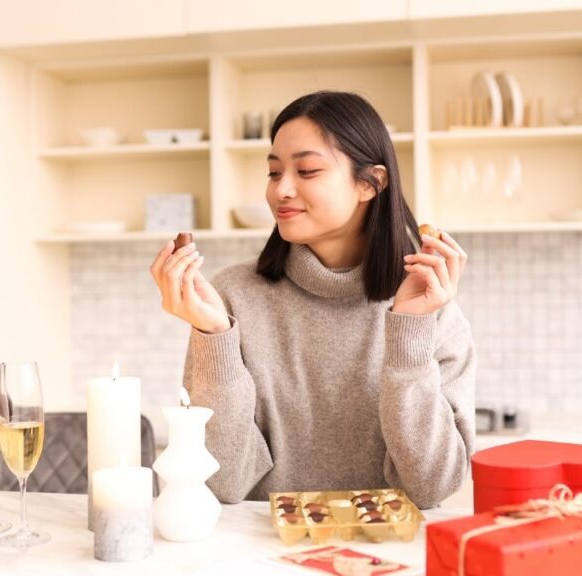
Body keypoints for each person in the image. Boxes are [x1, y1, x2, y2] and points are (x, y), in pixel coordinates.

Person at [149, 91, 475, 509]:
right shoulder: (231, 298)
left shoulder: (430, 307)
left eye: (307, 170)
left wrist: (410, 333)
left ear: (371, 183)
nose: (281, 189)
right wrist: (215, 336)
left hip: (385, 547)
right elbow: (221, 484)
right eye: (273, 172)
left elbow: (432, 487)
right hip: (259, 546)